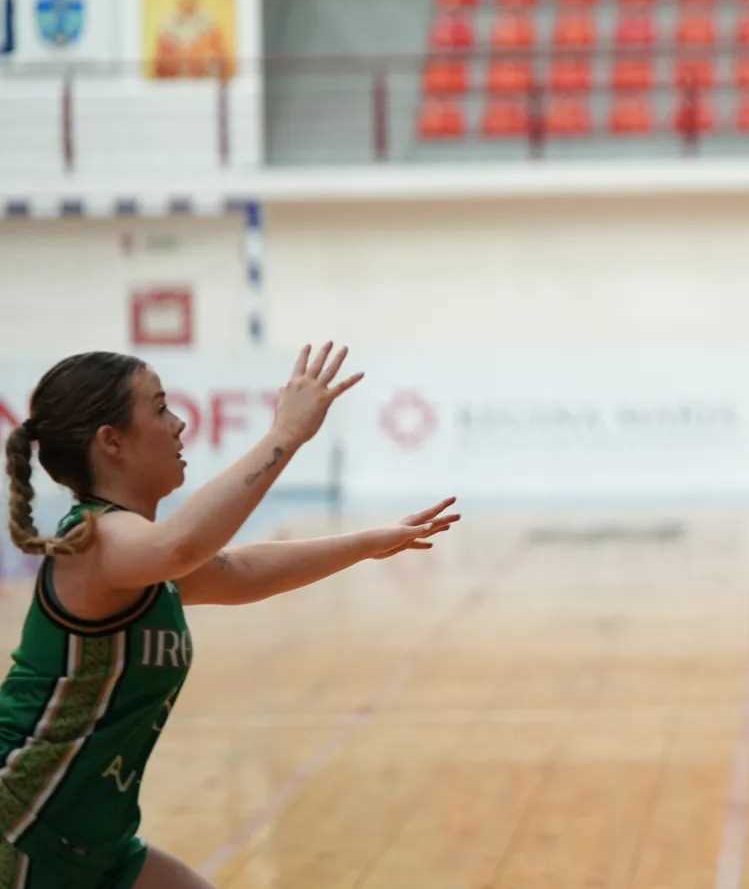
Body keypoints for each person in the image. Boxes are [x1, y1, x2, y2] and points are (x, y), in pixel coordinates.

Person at [0, 346, 459, 888]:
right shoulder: (96, 543)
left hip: (96, 836)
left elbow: (236, 570)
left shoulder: (138, 554)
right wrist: (284, 436)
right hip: (26, 822)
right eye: (161, 408)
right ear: (112, 440)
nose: (179, 423)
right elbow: (182, 546)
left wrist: (365, 543)